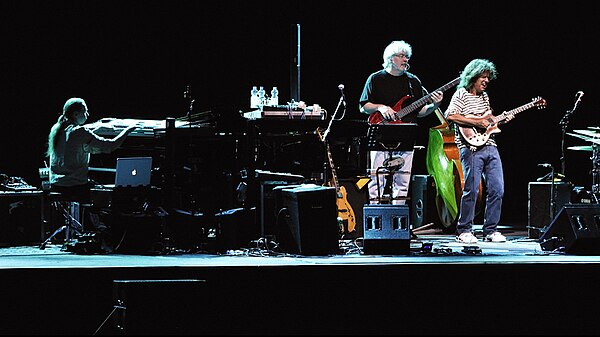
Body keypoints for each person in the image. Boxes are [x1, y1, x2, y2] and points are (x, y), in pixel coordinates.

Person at [46, 97, 139, 248]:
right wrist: (127, 130)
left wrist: (96, 129)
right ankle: (104, 233)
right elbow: (110, 146)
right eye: (85, 111)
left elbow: (77, 137)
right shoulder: (80, 132)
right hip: (75, 185)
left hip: (56, 184)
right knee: (104, 191)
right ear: (76, 114)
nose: (87, 114)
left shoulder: (57, 128)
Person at [359, 40, 443, 205]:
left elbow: (420, 112)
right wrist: (382, 108)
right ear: (391, 58)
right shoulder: (375, 79)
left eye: (407, 56)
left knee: (403, 180)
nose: (406, 60)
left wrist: (435, 105)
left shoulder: (413, 81)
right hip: (380, 135)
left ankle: (398, 218)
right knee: (377, 179)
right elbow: (364, 107)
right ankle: (375, 218)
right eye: (402, 56)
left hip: (405, 135)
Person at [444, 59, 507, 244]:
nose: (486, 80)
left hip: (490, 145)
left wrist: (499, 120)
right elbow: (451, 115)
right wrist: (477, 123)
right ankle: (464, 230)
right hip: (470, 148)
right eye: (483, 76)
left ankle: (490, 230)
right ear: (473, 76)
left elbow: (487, 122)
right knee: (471, 189)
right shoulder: (461, 94)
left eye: (488, 77)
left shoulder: (485, 97)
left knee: (497, 189)